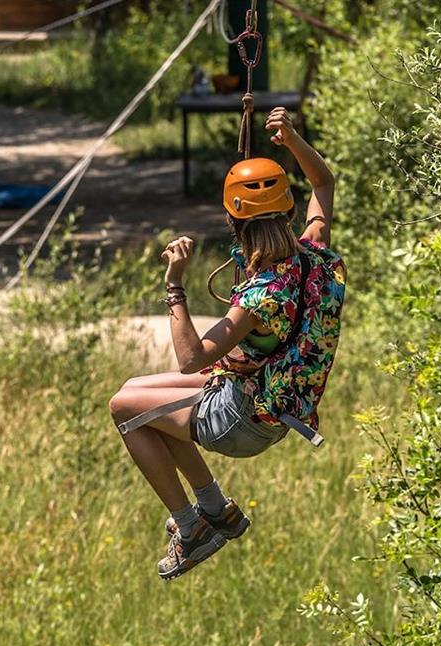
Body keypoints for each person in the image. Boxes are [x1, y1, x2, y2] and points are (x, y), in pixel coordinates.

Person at [108, 107, 347, 580]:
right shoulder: (316, 254)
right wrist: (293, 141)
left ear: (232, 220)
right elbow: (324, 186)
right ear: (289, 210)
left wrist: (175, 283)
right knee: (138, 391)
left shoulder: (259, 297)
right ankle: (217, 510)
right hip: (271, 405)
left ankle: (191, 525)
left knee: (125, 409)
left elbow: (191, 358)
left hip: (243, 420)